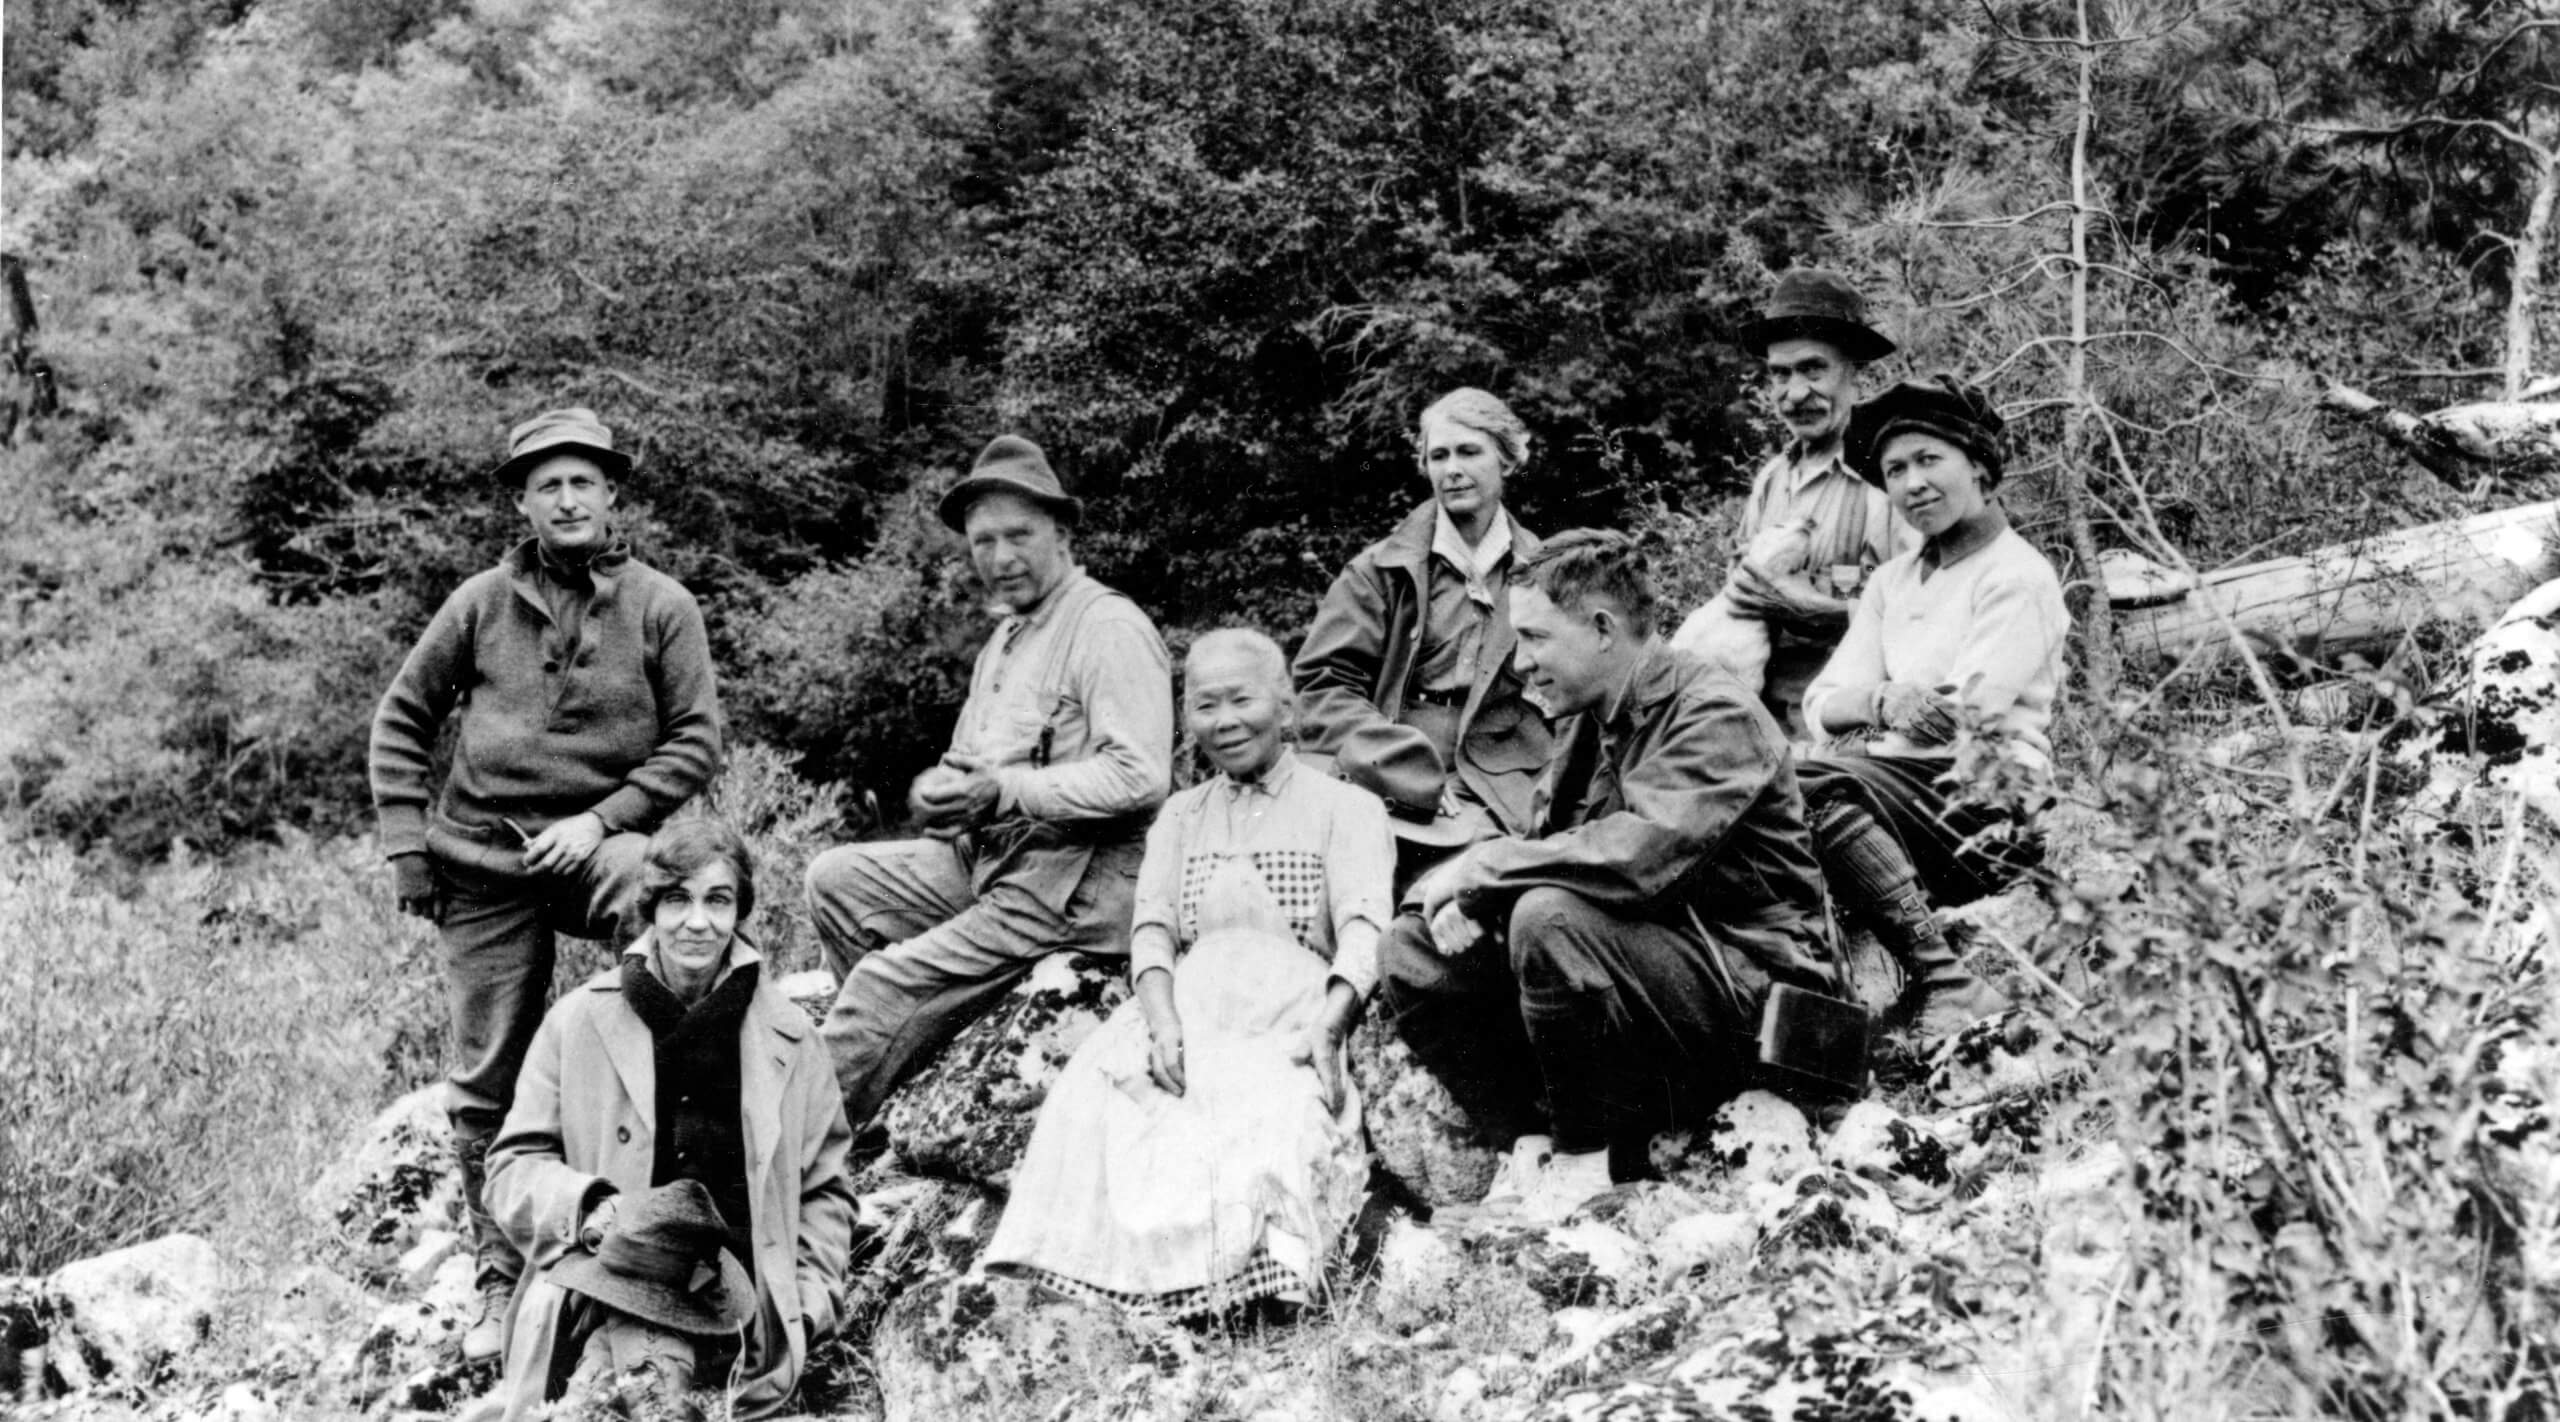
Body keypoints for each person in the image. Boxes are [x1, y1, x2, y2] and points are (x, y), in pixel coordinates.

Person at [368, 407, 723, 1360]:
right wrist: (411, 852)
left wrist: (604, 821)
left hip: (602, 846)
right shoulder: (480, 602)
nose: (568, 499)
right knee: (487, 1077)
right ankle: (498, 1275)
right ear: (523, 503)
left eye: (585, 481)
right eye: (547, 484)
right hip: (483, 863)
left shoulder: (662, 605)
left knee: (668, 972)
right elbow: (401, 718)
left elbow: (697, 738)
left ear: (614, 495)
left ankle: (659, 1235)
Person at [1377, 531, 1841, 1224]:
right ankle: (1529, 1151)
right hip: (1654, 979)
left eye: (1534, 639)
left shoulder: (1714, 710)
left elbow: (1638, 858)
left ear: (1601, 629)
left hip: (1758, 997)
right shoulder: (1590, 719)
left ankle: (1583, 1164)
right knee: (1411, 949)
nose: (1522, 664)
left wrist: (1488, 869)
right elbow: (1550, 846)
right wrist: (1470, 892)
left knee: (1546, 918)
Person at [981, 629, 1394, 1318]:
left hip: (1289, 1010)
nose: (1224, 721)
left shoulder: (1346, 808)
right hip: (1191, 1008)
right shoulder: (1180, 814)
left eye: (1242, 699)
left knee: (1268, 1116)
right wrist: (1163, 1019)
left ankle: (1252, 1298)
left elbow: (1364, 927)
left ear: (1286, 706)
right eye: (1205, 704)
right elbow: (1153, 929)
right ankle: (1122, 1289)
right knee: (1099, 1098)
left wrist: (1331, 1023)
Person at [806, 435, 1173, 1128]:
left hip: (1080, 885)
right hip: (998, 865)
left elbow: (1141, 777)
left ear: (1062, 534)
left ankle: (783, 1165)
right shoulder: (1006, 639)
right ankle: (902, 1072)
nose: (1000, 559)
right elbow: (970, 766)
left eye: (1019, 536)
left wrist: (1004, 792)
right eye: (982, 542)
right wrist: (940, 795)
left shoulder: (1108, 628)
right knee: (835, 880)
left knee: (882, 983)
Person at [478, 820, 858, 1420]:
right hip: (611, 1285)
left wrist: (807, 1303)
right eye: (677, 900)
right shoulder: (577, 1022)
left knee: (630, 1393)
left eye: (718, 900)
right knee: (634, 1385)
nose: (697, 922)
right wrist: (588, 1209)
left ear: (740, 911)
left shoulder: (790, 1035)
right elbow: (510, 1170)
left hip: (746, 1307)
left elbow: (827, 1189)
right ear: (650, 909)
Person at [1798, 376, 2070, 1040]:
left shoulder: (2017, 576)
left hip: (1989, 803)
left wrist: (1873, 716)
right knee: (1784, 789)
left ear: (1978, 465)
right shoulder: (1891, 581)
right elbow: (1819, 703)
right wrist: (1880, 700)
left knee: (1807, 782)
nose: (1913, 483)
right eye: (1895, 470)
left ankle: (1947, 976)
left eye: (1929, 460)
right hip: (1901, 797)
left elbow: (1956, 719)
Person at [1294, 387, 1552, 882]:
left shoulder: (1543, 570)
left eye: (1470, 452)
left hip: (1506, 765)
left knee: (1489, 871)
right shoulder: (1381, 569)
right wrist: (1395, 759)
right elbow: (1322, 687)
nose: (1452, 469)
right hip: (1390, 754)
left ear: (1508, 460)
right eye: (1439, 456)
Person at [1675, 268, 1913, 735]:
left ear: (1855, 373)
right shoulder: (1772, 481)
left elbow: (1924, 614)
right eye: (1780, 374)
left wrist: (1811, 611)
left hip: (1848, 741)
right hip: (1756, 733)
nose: (1795, 393)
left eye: (1813, 369)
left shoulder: (1889, 481)